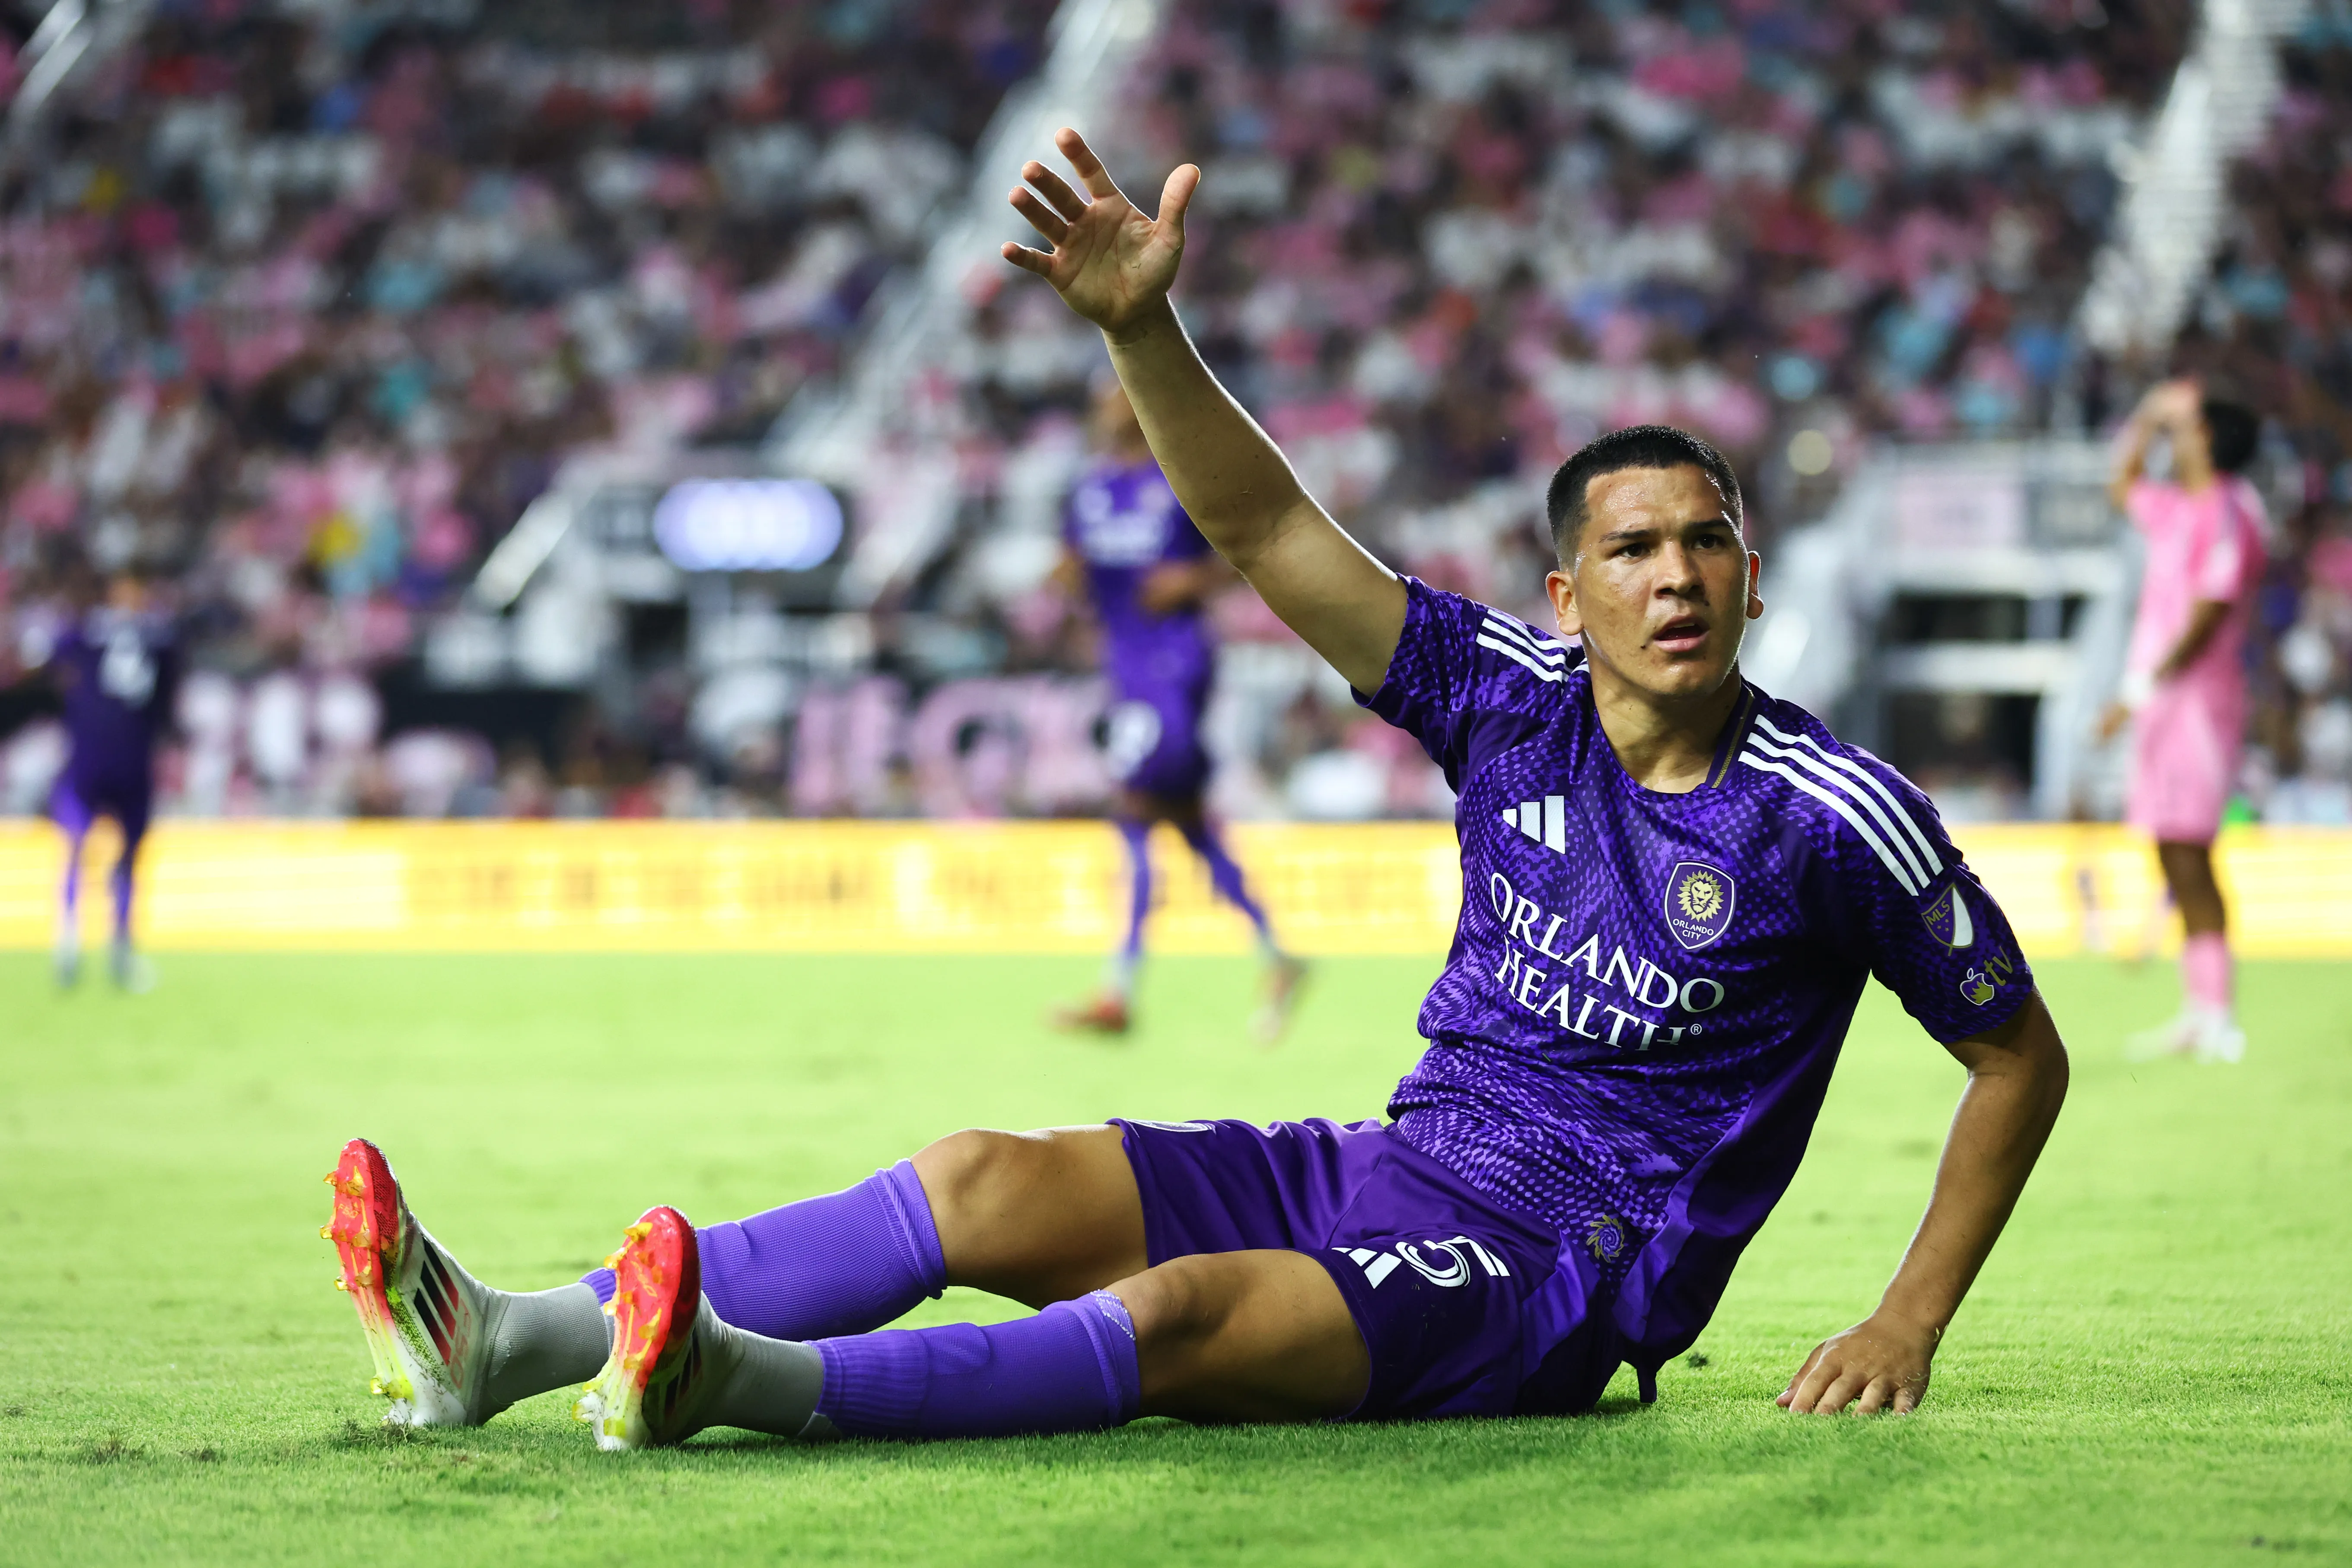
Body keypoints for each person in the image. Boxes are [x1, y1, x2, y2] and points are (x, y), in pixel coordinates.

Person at [325, 131, 2069, 1449]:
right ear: (1569, 593)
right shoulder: (1503, 701)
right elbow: (1260, 533)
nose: (1675, 574)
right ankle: (514, 1341)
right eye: (1632, 547)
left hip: (1554, 1275)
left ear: (1753, 579)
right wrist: (1143, 337)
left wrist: (1905, 1312)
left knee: (1171, 1317)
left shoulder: (1832, 811)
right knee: (990, 1178)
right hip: (1394, 1165)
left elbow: (2015, 1050)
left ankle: (730, 1375)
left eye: (1708, 541)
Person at [1052, 378, 1304, 1040]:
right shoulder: (1086, 490)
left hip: (1175, 664)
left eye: (1115, 397)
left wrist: (1190, 579)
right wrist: (1068, 582)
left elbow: (1240, 551)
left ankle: (1118, 991)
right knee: (1186, 828)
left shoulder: (1177, 483)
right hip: (1125, 665)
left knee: (1134, 811)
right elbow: (1074, 565)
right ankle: (1276, 956)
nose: (1104, 407)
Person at [2098, 380, 2267, 1063]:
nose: (2175, 437)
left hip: (2197, 701)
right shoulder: (2174, 509)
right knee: (2170, 845)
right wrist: (2143, 416)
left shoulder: (2231, 509)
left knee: (2193, 848)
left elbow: (2210, 609)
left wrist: (2140, 686)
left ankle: (2218, 1013)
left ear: (2209, 440)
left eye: (2184, 428)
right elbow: (2121, 485)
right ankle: (2198, 1012)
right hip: (2162, 701)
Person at [32, 568, 178, 990]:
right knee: (86, 849)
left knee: (119, 855)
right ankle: (76, 941)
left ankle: (114, 945)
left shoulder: (87, 637)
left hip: (110, 760)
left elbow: (47, 659)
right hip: (105, 761)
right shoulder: (154, 642)